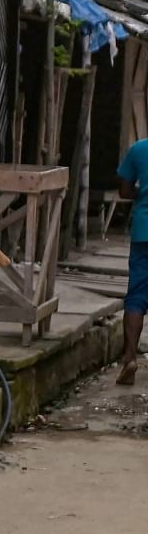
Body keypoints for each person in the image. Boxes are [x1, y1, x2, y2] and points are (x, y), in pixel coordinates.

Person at [116, 138, 148, 385]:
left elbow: (124, 191)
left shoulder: (139, 149)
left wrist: (142, 193)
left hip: (143, 231)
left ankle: (130, 359)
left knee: (137, 295)